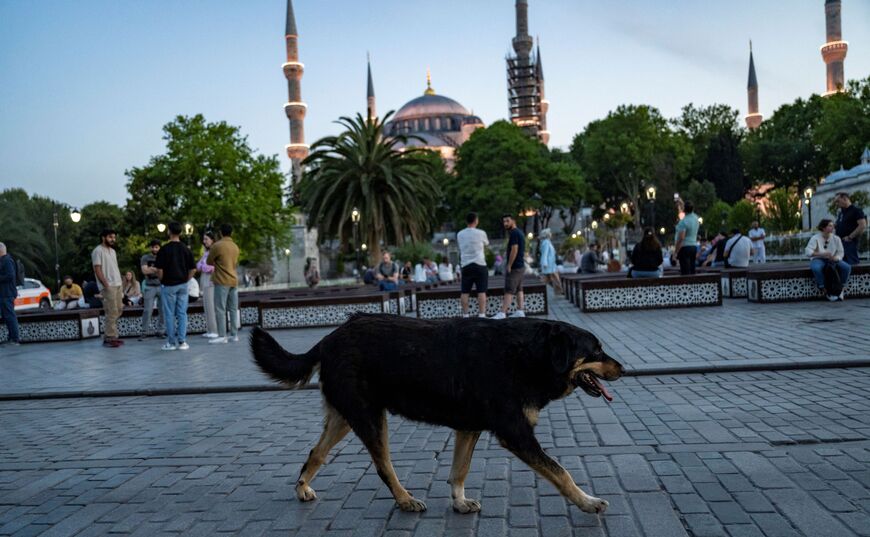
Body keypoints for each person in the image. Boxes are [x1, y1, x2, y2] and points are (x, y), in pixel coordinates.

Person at [155, 222, 196, 351]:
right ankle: (183, 341)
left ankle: (171, 343)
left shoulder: (164, 249)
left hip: (168, 285)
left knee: (169, 314)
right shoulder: (186, 249)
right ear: (180, 232)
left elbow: (159, 269)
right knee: (182, 313)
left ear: (169, 231)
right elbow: (193, 269)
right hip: (183, 285)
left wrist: (162, 279)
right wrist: (186, 279)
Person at [208, 223, 241, 344]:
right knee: (233, 308)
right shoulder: (235, 246)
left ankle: (222, 335)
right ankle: (234, 334)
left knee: (220, 308)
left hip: (222, 280)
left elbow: (209, 261)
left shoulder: (217, 246)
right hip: (234, 280)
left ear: (221, 233)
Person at [92, 228, 124, 348]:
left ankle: (110, 336)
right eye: (110, 237)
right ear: (103, 237)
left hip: (118, 284)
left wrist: (121, 282)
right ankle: (110, 337)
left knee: (119, 309)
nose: (113, 239)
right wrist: (105, 284)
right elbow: (97, 269)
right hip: (108, 285)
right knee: (111, 311)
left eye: (114, 237)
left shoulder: (113, 251)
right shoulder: (97, 251)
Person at [806, 219, 851, 301]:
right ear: (823, 228)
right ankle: (824, 290)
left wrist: (836, 258)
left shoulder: (836, 238)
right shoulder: (815, 238)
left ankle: (841, 289)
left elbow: (841, 253)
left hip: (832, 259)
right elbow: (808, 252)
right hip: (818, 259)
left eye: (833, 225)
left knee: (846, 267)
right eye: (830, 225)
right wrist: (821, 254)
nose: (832, 227)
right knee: (816, 268)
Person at [457, 211, 490, 317]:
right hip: (480, 264)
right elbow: (486, 244)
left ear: (466, 221)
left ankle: (465, 315)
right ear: (476, 221)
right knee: (481, 291)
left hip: (466, 265)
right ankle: (482, 314)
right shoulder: (481, 233)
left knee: (465, 291)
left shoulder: (460, 234)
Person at [493, 214, 525, 319]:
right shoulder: (519, 232)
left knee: (509, 289)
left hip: (515, 267)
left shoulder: (514, 233)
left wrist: (509, 265)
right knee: (519, 289)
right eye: (504, 221)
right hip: (520, 266)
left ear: (513, 221)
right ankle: (520, 311)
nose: (505, 223)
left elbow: (514, 249)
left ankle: (502, 313)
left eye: (507, 221)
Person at [834, 192, 867, 266]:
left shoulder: (856, 210)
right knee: (842, 265)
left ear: (845, 199)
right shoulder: (841, 213)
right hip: (841, 243)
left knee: (852, 264)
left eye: (838, 201)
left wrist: (850, 237)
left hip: (849, 243)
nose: (836, 204)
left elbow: (862, 225)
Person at [139, 240, 164, 339]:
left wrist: (152, 269)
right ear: (150, 248)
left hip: (161, 286)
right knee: (147, 310)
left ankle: (161, 331)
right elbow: (144, 270)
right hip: (149, 286)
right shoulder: (145, 257)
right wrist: (157, 269)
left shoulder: (163, 257)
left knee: (163, 310)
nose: (155, 249)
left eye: (157, 247)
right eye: (153, 247)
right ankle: (144, 331)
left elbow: (165, 270)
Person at [196, 232, 219, 338]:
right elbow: (198, 265)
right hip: (204, 279)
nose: (204, 241)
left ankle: (214, 330)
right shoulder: (206, 252)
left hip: (211, 280)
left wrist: (204, 267)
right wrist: (203, 266)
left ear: (212, 240)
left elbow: (214, 266)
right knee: (206, 305)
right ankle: (209, 329)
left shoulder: (215, 251)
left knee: (211, 305)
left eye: (206, 239)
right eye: (204, 239)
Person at [0, 242, 20, 346]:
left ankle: (15, 339)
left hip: (7, 293)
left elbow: (10, 275)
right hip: (4, 293)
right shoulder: (3, 260)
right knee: (7, 316)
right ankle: (10, 338)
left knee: (10, 316)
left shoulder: (7, 261)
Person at [673, 201, 700, 275]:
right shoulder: (696, 218)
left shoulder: (683, 222)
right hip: (694, 246)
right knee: (692, 269)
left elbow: (681, 237)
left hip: (685, 247)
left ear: (684, 209)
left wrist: (676, 251)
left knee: (685, 271)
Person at [538, 228, 563, 294]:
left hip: (551, 264)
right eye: (550, 233)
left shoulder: (547, 242)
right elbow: (545, 253)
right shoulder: (546, 242)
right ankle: (559, 292)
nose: (551, 234)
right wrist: (545, 263)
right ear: (547, 234)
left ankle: (558, 292)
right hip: (548, 264)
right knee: (552, 278)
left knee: (550, 279)